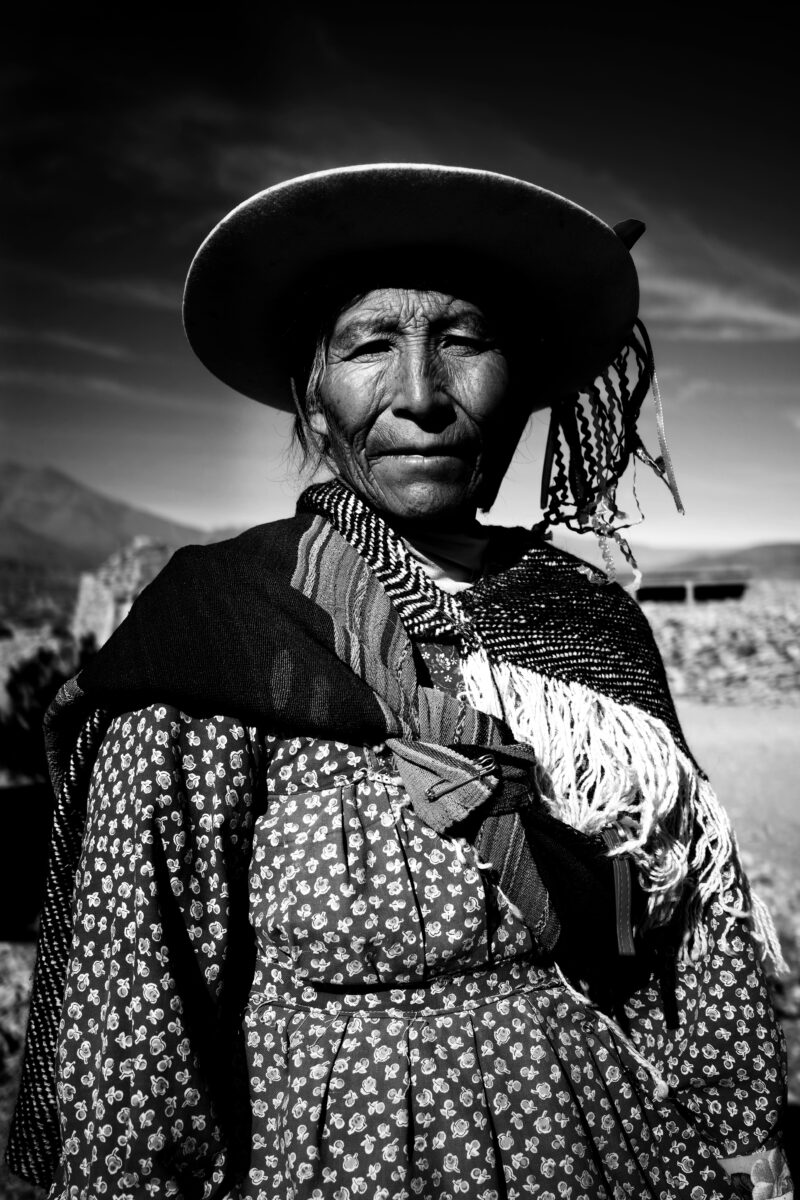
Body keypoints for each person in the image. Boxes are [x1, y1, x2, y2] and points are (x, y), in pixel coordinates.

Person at [7, 164, 792, 1199]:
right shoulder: (223, 629)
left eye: (463, 341)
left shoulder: (586, 618)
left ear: (520, 379)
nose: (420, 395)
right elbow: (135, 1016)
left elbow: (699, 908)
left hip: (622, 1149)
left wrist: (741, 1135)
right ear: (311, 393)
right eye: (369, 344)